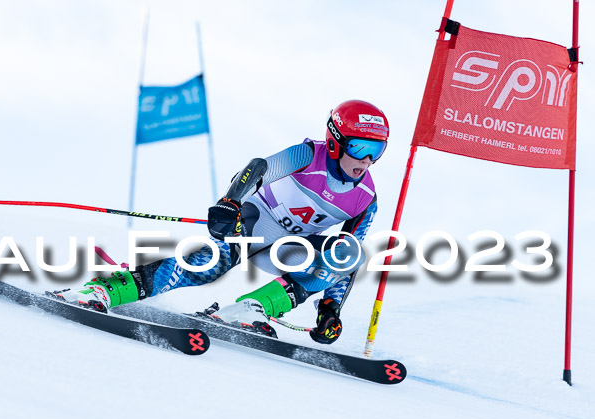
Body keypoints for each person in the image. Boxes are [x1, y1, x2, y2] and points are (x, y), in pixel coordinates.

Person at [52, 100, 389, 345]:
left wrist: (330, 308)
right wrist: (230, 202)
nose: (367, 161)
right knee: (207, 268)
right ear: (335, 141)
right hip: (255, 224)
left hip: (289, 249)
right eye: (360, 147)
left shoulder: (366, 199)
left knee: (350, 253)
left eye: (377, 151)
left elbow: (345, 259)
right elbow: (258, 168)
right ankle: (103, 290)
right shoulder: (308, 155)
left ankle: (251, 309)